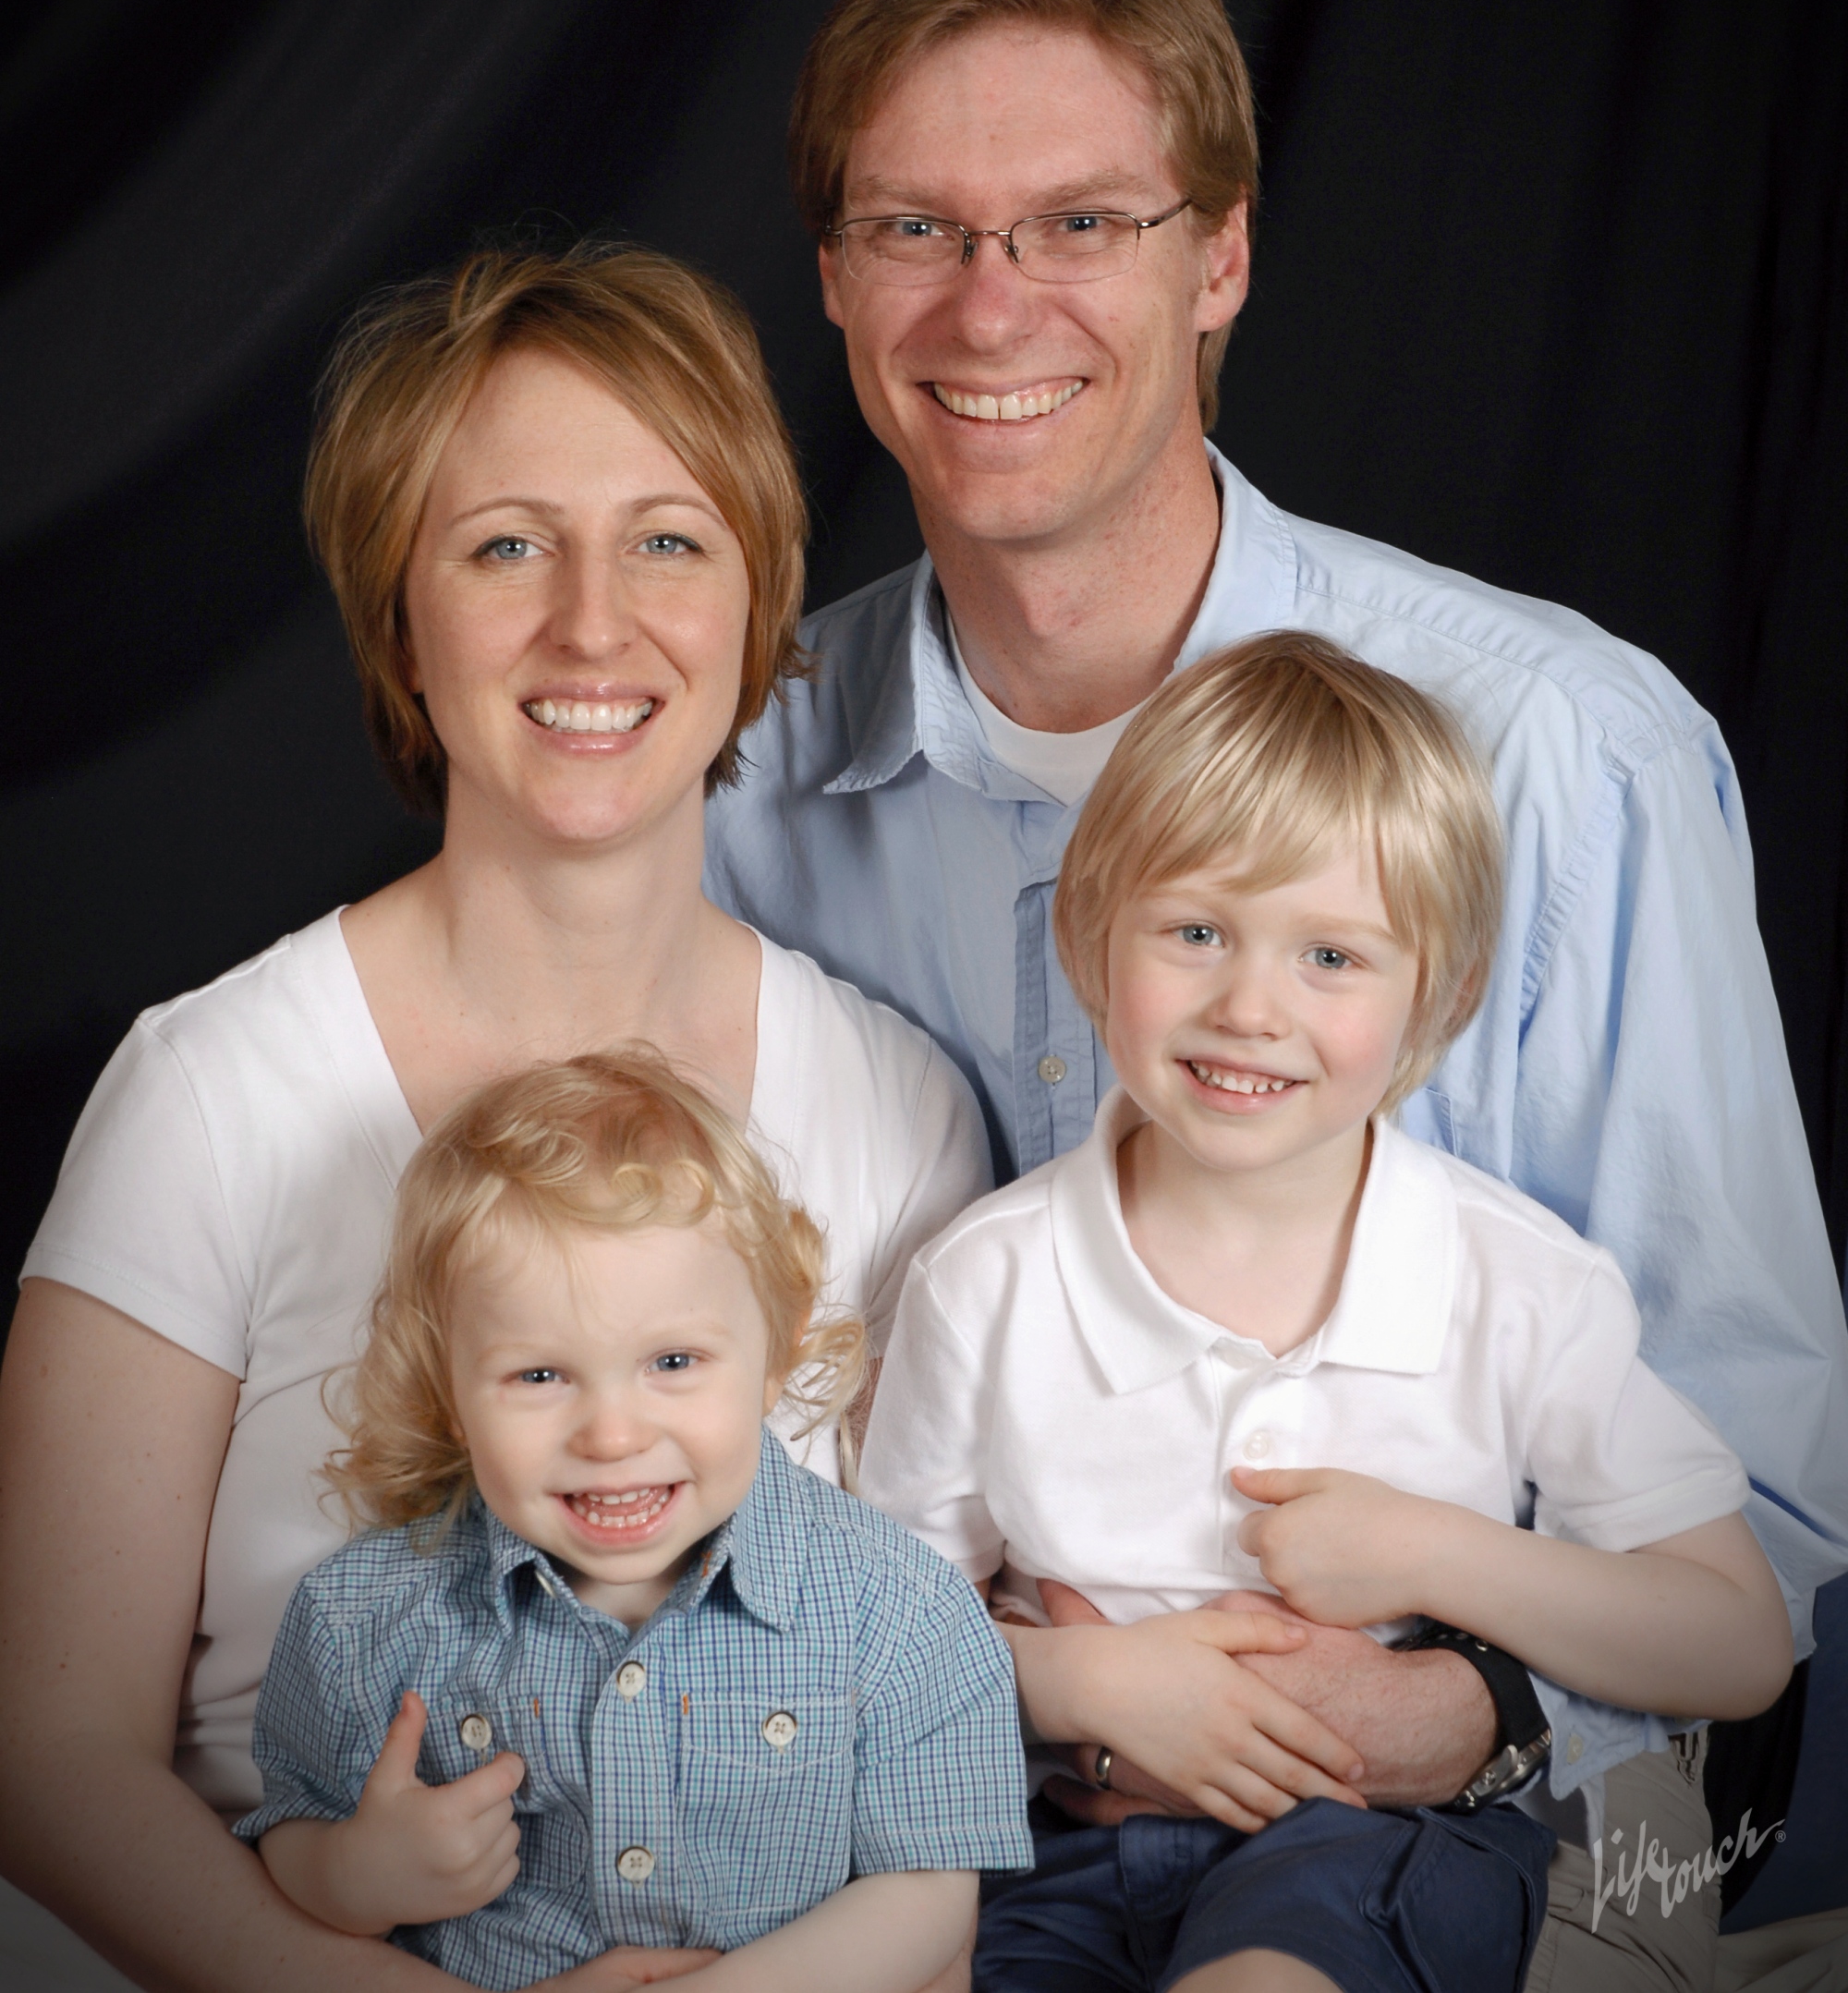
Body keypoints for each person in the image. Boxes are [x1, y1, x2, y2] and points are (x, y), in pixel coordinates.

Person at [702, 0, 1848, 1982]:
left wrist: (1460, 1712)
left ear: (1217, 258)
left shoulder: (1561, 753)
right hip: (935, 1790)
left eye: (1080, 223)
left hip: (1477, 1802)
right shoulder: (736, 780)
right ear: (838, 278)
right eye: (916, 228)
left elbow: (1759, 1493)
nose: (990, 305)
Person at [0, 245, 992, 1993]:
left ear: (759, 611)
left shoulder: (896, 1106)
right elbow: (52, 1762)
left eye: (668, 541)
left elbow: (921, 1721)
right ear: (401, 620)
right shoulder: (206, 1095)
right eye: (507, 546)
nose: (593, 625)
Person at [858, 634, 1793, 1993]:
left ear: (1441, 997)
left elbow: (1736, 1641)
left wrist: (1430, 1552)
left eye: (1332, 956)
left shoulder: (1516, 1284)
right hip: (1054, 1850)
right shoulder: (985, 1280)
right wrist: (1075, 1689)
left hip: (1384, 1842)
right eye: (1195, 932)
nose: (1250, 1007)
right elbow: (885, 1642)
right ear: (1087, 937)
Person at [242, 1049, 1032, 1992]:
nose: (612, 1436)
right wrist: (354, 1875)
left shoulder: (898, 1608)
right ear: (448, 1394)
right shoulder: (360, 1619)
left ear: (774, 1357)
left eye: (673, 1362)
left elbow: (930, 1895)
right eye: (540, 1375)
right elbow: (288, 1825)